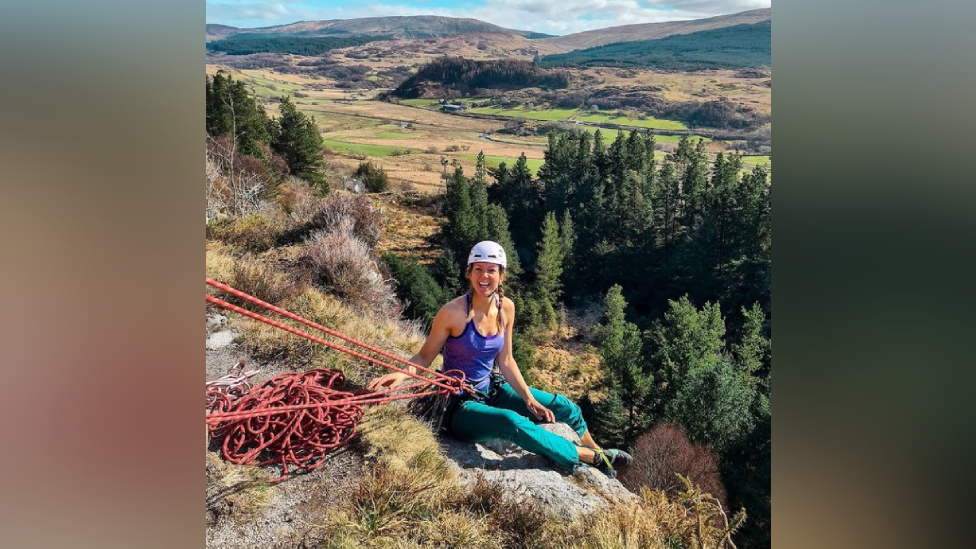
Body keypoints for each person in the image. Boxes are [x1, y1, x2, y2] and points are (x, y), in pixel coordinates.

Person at [368, 241, 632, 477]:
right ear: (469, 273)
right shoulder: (452, 313)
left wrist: (529, 400)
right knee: (510, 422)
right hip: (458, 405)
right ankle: (590, 457)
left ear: (501, 275)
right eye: (478, 269)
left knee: (563, 406)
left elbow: (506, 360)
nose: (484, 276)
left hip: (490, 388)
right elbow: (426, 355)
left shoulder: (506, 308)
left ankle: (599, 454)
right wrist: (401, 374)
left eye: (491, 270)